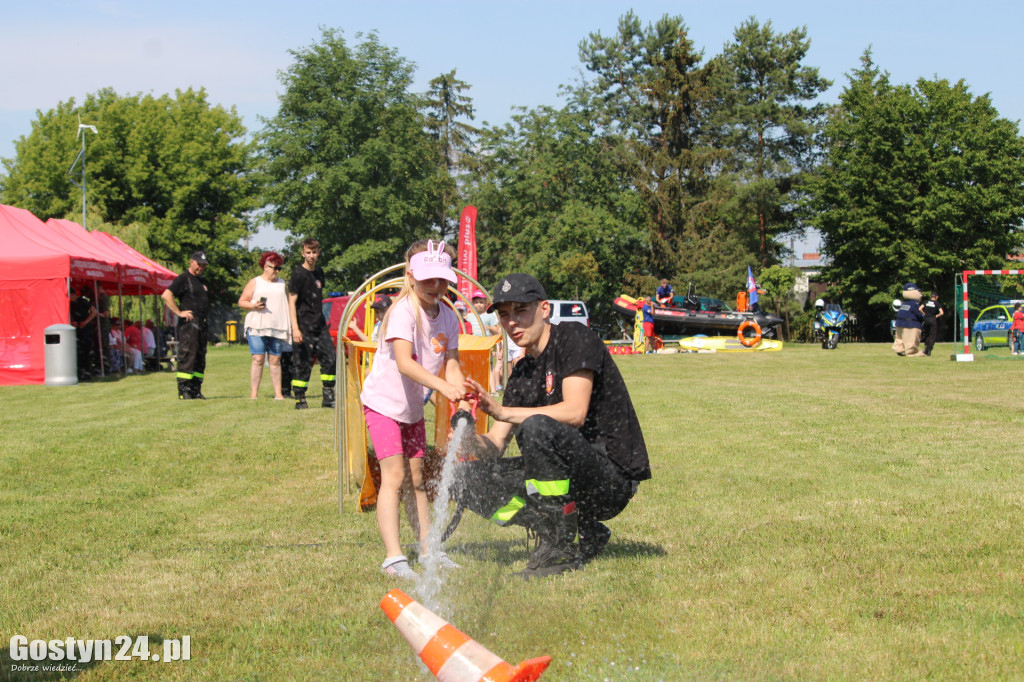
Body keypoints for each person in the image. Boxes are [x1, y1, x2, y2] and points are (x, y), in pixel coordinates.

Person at [451, 273, 651, 579]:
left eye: (521, 311)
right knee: (460, 478)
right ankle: (571, 528)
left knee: (536, 426)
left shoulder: (574, 338)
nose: (511, 323)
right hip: (565, 480)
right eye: (504, 315)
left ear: (544, 309)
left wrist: (503, 411)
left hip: (607, 481)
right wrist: (465, 440)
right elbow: (496, 444)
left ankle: (559, 547)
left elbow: (575, 412)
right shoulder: (522, 372)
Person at [358, 239, 468, 580]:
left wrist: (460, 391)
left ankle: (427, 549)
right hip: (384, 406)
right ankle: (394, 557)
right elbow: (405, 363)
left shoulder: (448, 317)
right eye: (428, 279)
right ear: (411, 276)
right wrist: (442, 388)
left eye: (442, 279)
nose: (436, 286)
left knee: (418, 479)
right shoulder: (402, 312)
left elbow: (451, 363)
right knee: (394, 477)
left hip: (412, 410)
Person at [288, 238, 336, 409]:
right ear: (303, 253)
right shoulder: (298, 274)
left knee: (331, 357)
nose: (311, 255)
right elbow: (291, 302)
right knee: (303, 362)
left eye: (314, 252)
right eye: (308, 252)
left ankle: (328, 396)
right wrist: (295, 328)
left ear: (318, 253)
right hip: (303, 325)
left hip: (320, 324)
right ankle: (300, 398)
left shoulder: (319, 273)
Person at [239, 251, 292, 399]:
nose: (276, 271)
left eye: (278, 268)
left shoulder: (282, 284)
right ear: (264, 266)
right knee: (258, 358)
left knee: (275, 360)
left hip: (277, 326)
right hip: (257, 325)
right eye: (273, 267)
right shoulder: (255, 282)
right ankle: (254, 394)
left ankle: (278, 394)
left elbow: (287, 302)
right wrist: (254, 306)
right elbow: (242, 301)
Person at [161, 251, 211, 399]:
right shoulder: (183, 278)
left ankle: (196, 389)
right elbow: (166, 295)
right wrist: (179, 312)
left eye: (204, 265)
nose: (201, 267)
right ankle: (184, 389)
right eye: (199, 264)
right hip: (190, 324)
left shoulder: (200, 280)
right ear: (191, 262)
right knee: (188, 355)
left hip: (202, 323)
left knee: (200, 356)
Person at [69, 287, 98, 380]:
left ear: (73, 294)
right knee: (78, 351)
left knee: (86, 350)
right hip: (76, 328)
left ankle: (87, 372)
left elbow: (94, 311)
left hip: (85, 329)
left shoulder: (83, 301)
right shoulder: (70, 303)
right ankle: (80, 372)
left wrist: (86, 322)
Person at [894, 282, 925, 357]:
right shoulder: (914, 304)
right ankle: (912, 352)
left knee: (899, 338)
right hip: (910, 324)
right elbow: (918, 314)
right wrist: (923, 318)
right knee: (911, 339)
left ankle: (900, 350)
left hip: (899, 323)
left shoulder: (904, 303)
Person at [920, 292, 945, 356]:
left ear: (931, 296)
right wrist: (936, 316)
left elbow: (920, 308)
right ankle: (929, 349)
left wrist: (924, 314)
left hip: (926, 319)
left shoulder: (926, 302)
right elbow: (941, 313)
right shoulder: (937, 303)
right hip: (932, 319)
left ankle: (925, 348)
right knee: (932, 335)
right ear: (936, 297)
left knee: (927, 334)